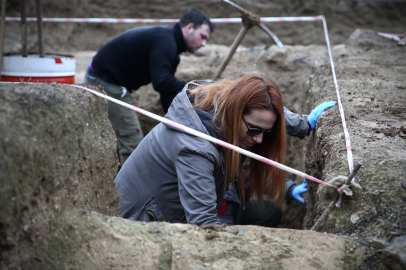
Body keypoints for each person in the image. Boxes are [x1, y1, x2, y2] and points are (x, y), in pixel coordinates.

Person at [114, 74, 337, 226]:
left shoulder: (222, 101)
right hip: (138, 223)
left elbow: (263, 104)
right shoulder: (195, 148)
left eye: (266, 132)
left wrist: (303, 124)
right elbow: (203, 224)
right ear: (234, 112)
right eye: (253, 130)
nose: (259, 139)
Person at [83, 9, 214, 164]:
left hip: (107, 78)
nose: (203, 44)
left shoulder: (170, 46)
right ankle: (128, 187)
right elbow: (162, 82)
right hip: (105, 82)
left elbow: (165, 89)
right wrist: (196, 87)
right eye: (202, 37)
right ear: (189, 28)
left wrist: (174, 123)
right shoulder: (165, 42)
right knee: (132, 141)